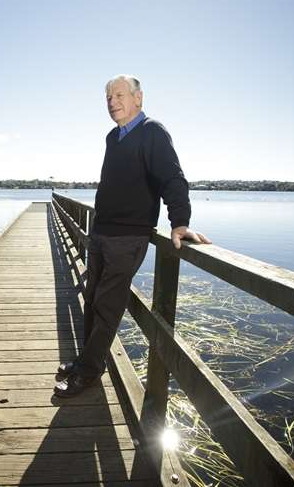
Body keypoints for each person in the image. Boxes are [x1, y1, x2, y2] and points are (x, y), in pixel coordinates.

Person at [54, 74, 211, 398]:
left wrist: (179, 222)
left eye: (120, 95)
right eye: (109, 97)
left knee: (108, 306)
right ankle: (87, 360)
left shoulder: (152, 131)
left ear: (139, 98)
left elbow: (172, 178)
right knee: (93, 300)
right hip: (102, 232)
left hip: (128, 238)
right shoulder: (113, 137)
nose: (113, 102)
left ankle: (88, 372)